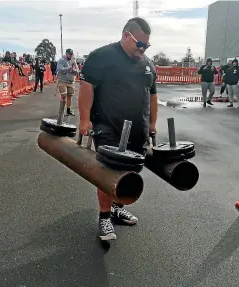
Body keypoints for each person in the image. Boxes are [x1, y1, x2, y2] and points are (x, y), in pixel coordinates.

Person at [79, 17, 157, 241]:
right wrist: (85, 120)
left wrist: (152, 124)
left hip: (137, 130)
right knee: (109, 172)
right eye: (139, 44)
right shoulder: (102, 57)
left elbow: (152, 95)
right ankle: (104, 217)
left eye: (146, 46)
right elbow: (86, 87)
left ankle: (116, 208)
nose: (142, 49)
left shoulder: (148, 64)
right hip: (108, 126)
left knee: (129, 173)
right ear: (126, 36)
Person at [57, 48, 79, 116]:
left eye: (71, 54)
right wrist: (68, 69)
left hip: (71, 81)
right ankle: (61, 111)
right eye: (69, 54)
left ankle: (68, 110)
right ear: (66, 54)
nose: (70, 55)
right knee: (63, 95)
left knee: (70, 96)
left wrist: (74, 70)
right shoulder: (61, 60)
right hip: (63, 81)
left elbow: (77, 70)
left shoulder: (73, 60)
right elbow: (59, 69)